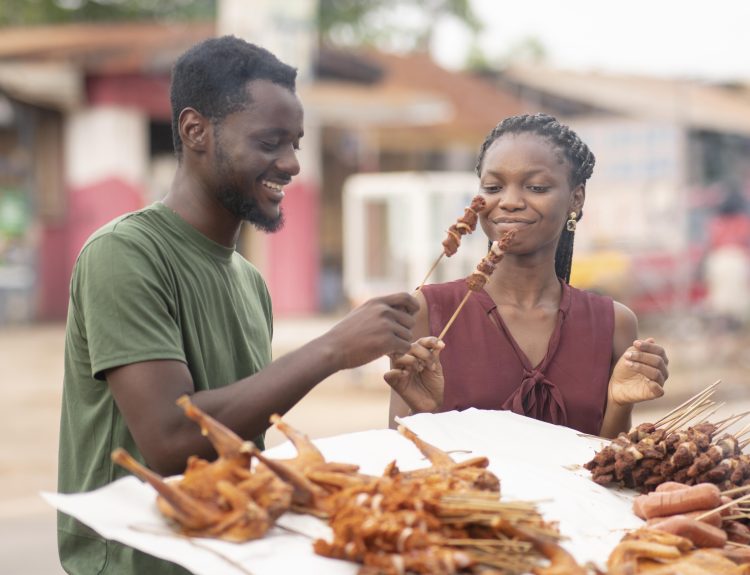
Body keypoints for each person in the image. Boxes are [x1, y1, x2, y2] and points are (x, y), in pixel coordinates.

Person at [57, 36, 418, 575]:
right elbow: (171, 440)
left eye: (295, 143)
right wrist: (333, 350)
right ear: (195, 131)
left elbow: (240, 440)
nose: (291, 164)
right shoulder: (125, 254)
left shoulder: (250, 283)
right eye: (271, 142)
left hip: (225, 557)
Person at [385, 113, 669, 439]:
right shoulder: (429, 311)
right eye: (493, 187)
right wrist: (421, 412)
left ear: (576, 198)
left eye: (535, 187)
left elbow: (609, 472)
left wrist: (620, 404)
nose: (509, 202)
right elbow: (399, 461)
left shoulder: (613, 323)